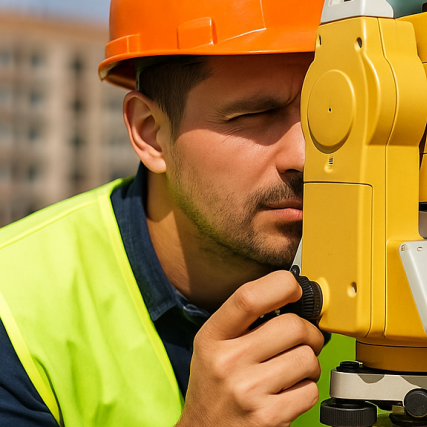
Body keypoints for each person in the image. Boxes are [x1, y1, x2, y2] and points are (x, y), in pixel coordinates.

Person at [0, 0, 352, 425]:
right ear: (150, 133)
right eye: (255, 114)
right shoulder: (14, 303)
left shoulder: (401, 272)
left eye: (326, 112)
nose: (305, 156)